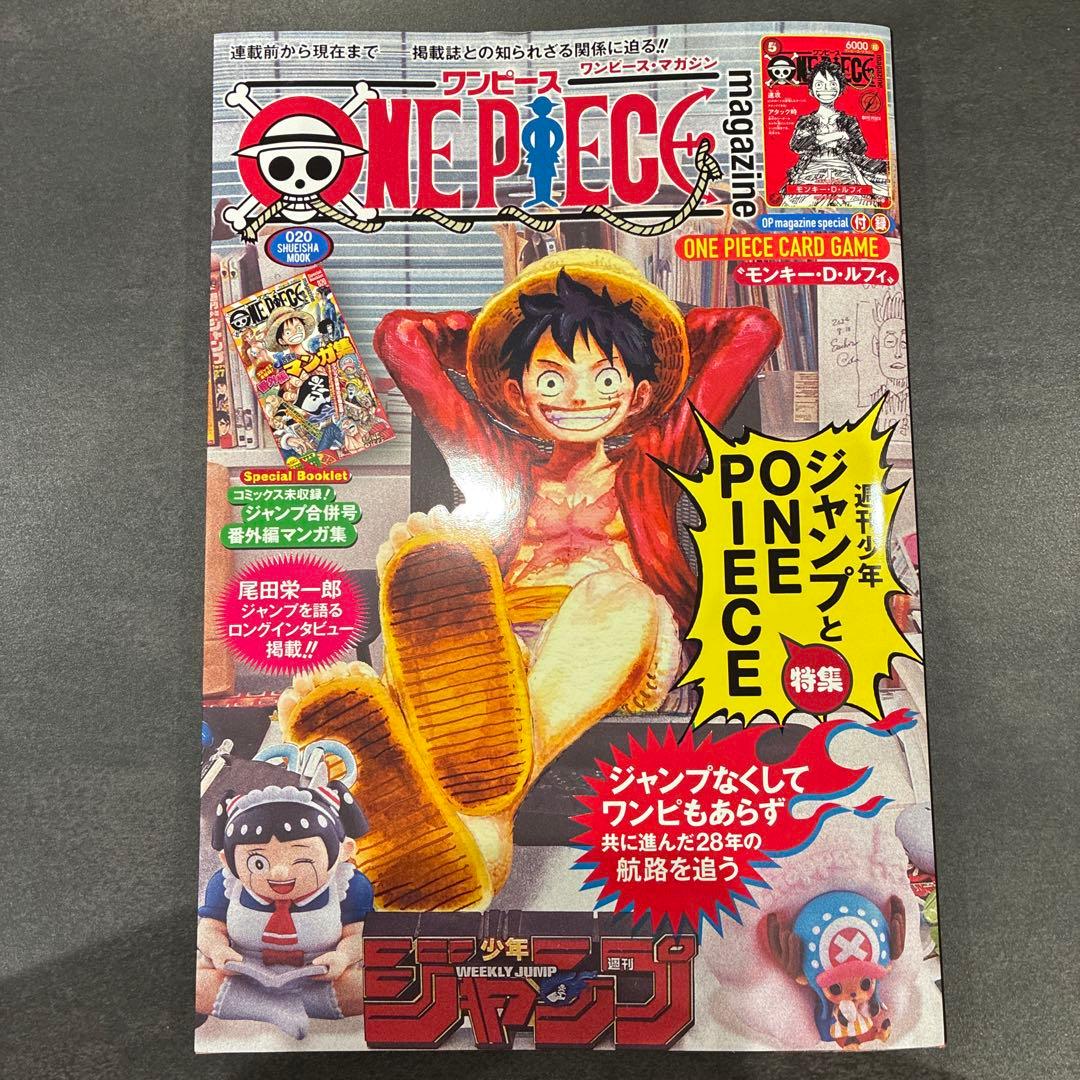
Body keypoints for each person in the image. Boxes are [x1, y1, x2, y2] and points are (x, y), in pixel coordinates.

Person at [275, 250, 781, 911]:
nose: (579, 396)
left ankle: (473, 805)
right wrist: (494, 328)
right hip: (499, 645)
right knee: (450, 621)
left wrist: (644, 316)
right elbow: (401, 336)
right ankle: (478, 834)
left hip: (618, 643)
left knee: (613, 595)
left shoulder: (661, 451)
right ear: (516, 394)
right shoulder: (497, 461)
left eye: (606, 376)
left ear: (639, 394)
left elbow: (754, 329)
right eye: (551, 377)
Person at [195, 781, 372, 1038]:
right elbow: (210, 928)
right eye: (258, 862)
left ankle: (265, 1004)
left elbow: (359, 934)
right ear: (228, 861)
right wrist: (218, 950)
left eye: (301, 859)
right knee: (195, 985)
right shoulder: (226, 885)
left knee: (370, 987)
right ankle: (270, 1008)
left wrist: (343, 957)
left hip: (318, 977)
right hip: (244, 975)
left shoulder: (348, 885)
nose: (279, 872)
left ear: (344, 851)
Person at [781, 59, 888, 208]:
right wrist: (838, 136)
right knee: (794, 206)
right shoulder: (806, 120)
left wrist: (825, 140)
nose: (826, 89)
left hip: (843, 169)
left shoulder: (848, 120)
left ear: (840, 89)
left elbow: (860, 148)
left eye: (832, 84)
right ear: (811, 90)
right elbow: (796, 145)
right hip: (811, 170)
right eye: (819, 85)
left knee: (859, 204)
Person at [521, 97, 563, 209]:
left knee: (547, 174)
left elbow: (559, 137)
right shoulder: (533, 123)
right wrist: (531, 149)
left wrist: (553, 149)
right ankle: (539, 197)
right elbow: (525, 137)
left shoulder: (551, 123)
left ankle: (546, 197)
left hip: (547, 153)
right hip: (537, 154)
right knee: (537, 174)